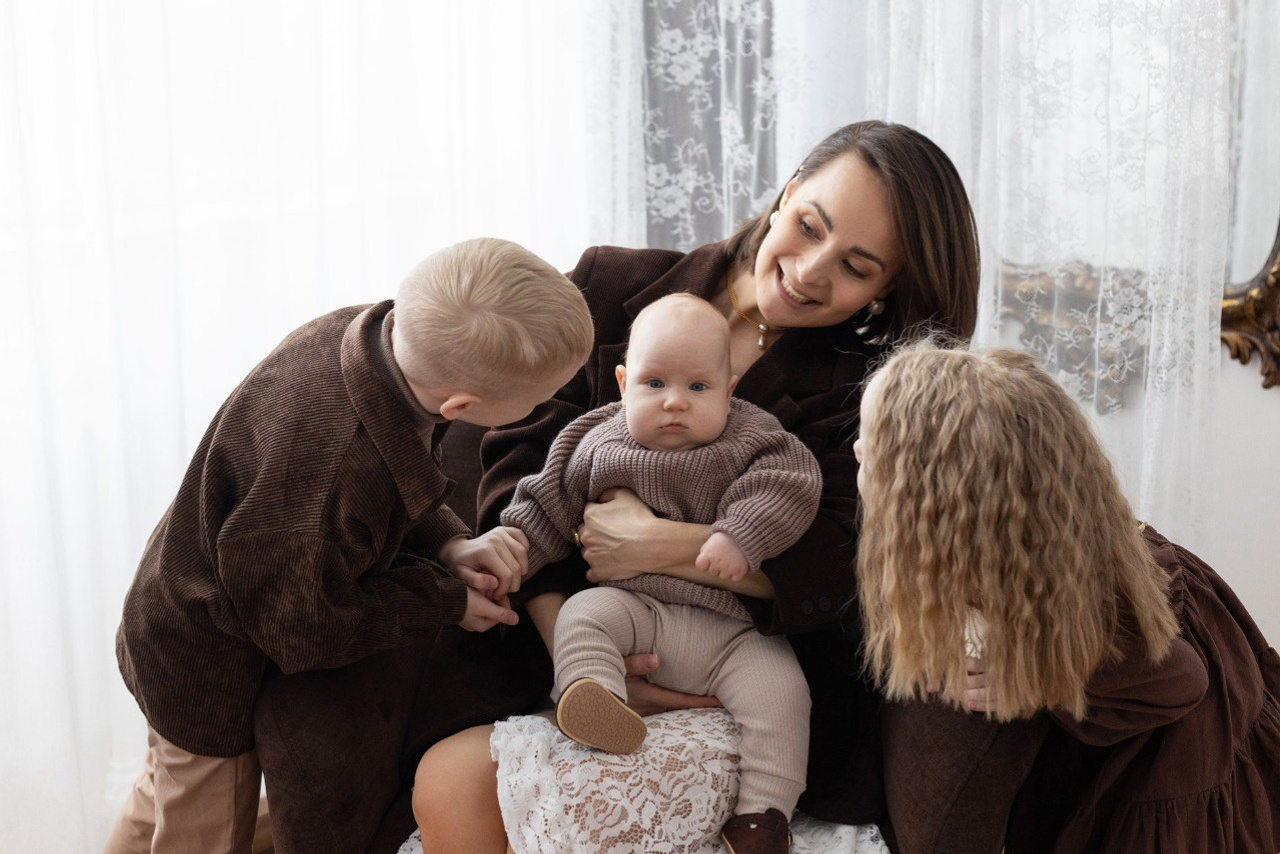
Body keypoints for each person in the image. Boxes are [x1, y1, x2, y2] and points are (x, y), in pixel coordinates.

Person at [408, 120, 982, 854]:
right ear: (790, 191)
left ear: (889, 286)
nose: (809, 271)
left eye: (856, 266)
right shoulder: (610, 288)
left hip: (732, 669)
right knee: (452, 782)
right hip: (567, 641)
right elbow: (517, 468)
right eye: (809, 226)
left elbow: (845, 568)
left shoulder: (867, 396)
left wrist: (662, 544)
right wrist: (580, 656)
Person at [104, 237, 594, 854]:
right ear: (462, 405)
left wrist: (446, 543)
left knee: (162, 792)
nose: (543, 407)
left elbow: (397, 477)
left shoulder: (375, 339)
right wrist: (444, 601)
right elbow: (305, 629)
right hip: (205, 659)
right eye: (536, 400)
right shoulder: (329, 471)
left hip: (184, 591)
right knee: (202, 823)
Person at [854, 344, 1280, 854]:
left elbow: (1182, 679)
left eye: (871, 451)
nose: (856, 452)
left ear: (941, 505)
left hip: (1181, 745)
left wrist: (1036, 671)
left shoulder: (1070, 596)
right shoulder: (1011, 538)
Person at [490, 293, 823, 852]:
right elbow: (546, 501)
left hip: (733, 633)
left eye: (698, 387)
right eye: (654, 384)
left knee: (785, 694)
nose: (675, 403)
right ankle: (593, 695)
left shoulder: (753, 438)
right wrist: (511, 550)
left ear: (730, 390)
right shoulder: (593, 439)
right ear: (622, 384)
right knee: (582, 614)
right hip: (636, 612)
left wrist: (739, 534)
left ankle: (762, 817)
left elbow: (790, 486)